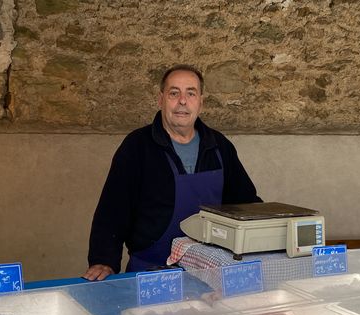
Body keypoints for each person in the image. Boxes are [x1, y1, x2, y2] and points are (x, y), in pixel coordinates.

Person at [83, 64, 261, 281]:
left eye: (191, 93)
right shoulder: (137, 147)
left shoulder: (219, 146)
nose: (182, 101)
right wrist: (104, 260)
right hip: (150, 271)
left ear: (201, 103)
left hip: (209, 274)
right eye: (174, 93)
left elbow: (246, 204)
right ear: (160, 100)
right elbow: (112, 210)